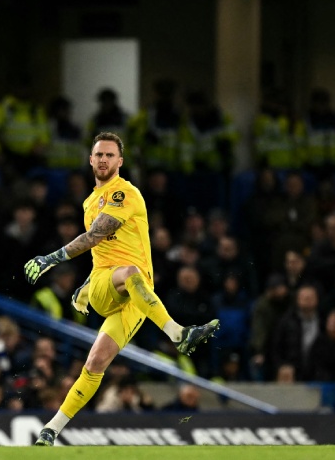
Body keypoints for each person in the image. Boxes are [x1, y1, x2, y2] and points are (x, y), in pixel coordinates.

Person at [23, 132, 219, 446]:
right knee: (130, 271)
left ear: (120, 162)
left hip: (138, 298)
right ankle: (178, 334)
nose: (103, 160)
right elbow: (100, 249)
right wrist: (84, 282)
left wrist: (52, 260)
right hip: (113, 283)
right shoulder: (90, 202)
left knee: (95, 362)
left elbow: (98, 236)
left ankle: (51, 429)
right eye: (98, 154)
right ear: (90, 159)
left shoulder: (124, 193)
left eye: (110, 155)